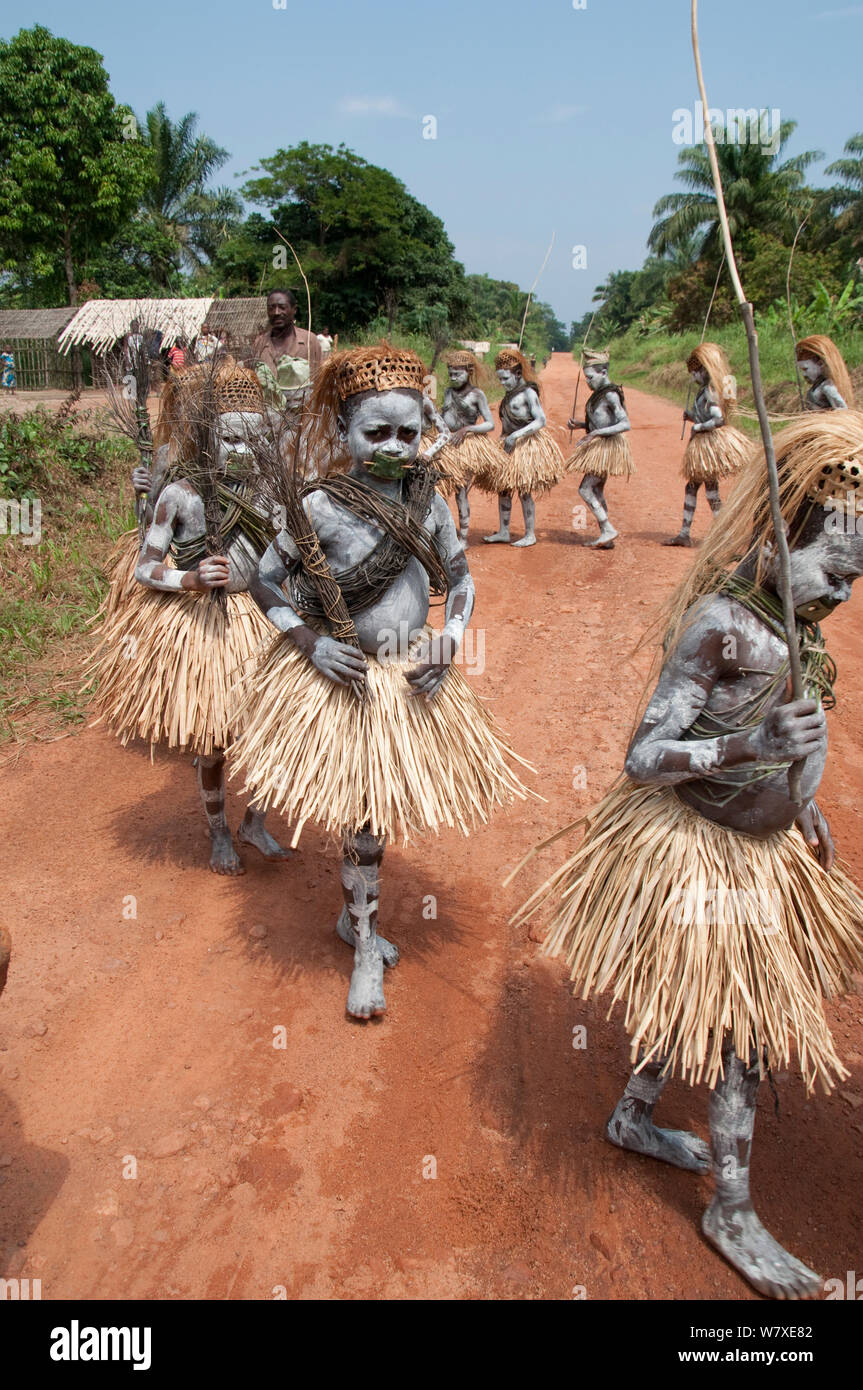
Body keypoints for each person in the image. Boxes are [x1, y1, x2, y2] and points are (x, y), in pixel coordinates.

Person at [514, 411, 863, 1299]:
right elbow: (642, 757)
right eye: (831, 567)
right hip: (697, 851)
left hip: (762, 849)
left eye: (854, 581)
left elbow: (796, 744)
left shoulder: (802, 630)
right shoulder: (722, 623)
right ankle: (732, 1208)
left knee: (700, 996)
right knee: (740, 1026)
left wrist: (805, 803)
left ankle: (634, 1115)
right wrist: (748, 754)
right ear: (776, 535)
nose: (840, 591)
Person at [229, 344, 530, 1019]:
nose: (394, 447)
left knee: (374, 822)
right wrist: (307, 642)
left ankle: (354, 921)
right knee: (363, 823)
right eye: (375, 433)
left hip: (405, 678)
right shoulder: (316, 507)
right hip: (343, 681)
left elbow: (460, 578)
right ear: (342, 434)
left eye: (407, 432)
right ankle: (364, 945)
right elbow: (265, 582)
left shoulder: (429, 502)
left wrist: (450, 639)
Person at [89, 357, 290, 876]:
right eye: (230, 440)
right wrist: (191, 580)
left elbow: (284, 563)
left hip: (258, 621)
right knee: (213, 739)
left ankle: (255, 822)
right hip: (203, 628)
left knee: (273, 730)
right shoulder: (180, 497)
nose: (241, 452)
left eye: (252, 440)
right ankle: (219, 831)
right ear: (206, 439)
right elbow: (145, 567)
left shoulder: (272, 496)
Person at [664, 342, 749, 548]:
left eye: (695, 373)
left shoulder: (712, 390)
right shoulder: (709, 389)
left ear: (703, 369)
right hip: (705, 444)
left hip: (708, 445)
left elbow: (718, 419)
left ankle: (723, 534)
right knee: (702, 489)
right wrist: (692, 417)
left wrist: (698, 426)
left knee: (707, 491)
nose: (693, 378)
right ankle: (703, 533)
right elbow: (707, 416)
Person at [480, 348, 565, 548]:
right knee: (503, 488)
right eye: (500, 379)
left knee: (524, 490)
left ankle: (530, 533)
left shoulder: (528, 392)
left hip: (525, 445)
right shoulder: (508, 396)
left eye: (505, 379)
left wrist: (517, 435)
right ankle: (504, 530)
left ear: (517, 374)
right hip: (507, 444)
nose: (502, 383)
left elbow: (540, 420)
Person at [566, 347, 634, 549]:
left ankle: (607, 528)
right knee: (597, 489)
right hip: (600, 447)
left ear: (603, 372)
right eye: (586, 378)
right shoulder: (600, 393)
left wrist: (595, 434)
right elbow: (600, 421)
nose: (587, 382)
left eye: (590, 377)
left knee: (585, 489)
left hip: (605, 448)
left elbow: (625, 423)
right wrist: (580, 424)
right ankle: (606, 536)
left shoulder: (611, 394)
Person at [432, 349, 503, 543]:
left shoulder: (477, 394)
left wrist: (467, 430)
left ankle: (463, 537)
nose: (453, 378)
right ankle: (442, 532)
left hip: (466, 447)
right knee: (440, 489)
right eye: (451, 374)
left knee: (461, 491)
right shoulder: (447, 392)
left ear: (469, 372)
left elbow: (490, 424)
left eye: (458, 374)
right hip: (446, 445)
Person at [253, 288, 322, 410]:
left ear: (294, 310)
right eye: (271, 308)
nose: (276, 312)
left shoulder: (309, 341)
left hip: (304, 416)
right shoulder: (259, 344)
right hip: (270, 419)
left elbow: (320, 380)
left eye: (282, 307)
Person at [796, 334, 855, 412]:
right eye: (802, 370)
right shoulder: (816, 388)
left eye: (806, 369)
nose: (804, 374)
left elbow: (842, 411)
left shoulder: (828, 388)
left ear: (820, 363)